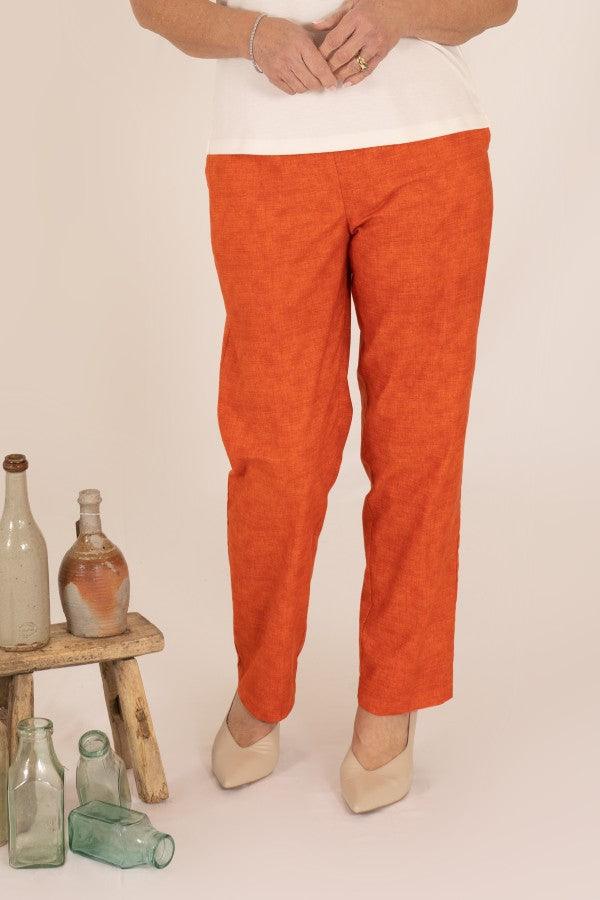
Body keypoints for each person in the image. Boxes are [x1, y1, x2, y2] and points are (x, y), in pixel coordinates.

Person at [129, 0, 518, 813]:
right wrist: (252, 36)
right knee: (277, 451)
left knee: (419, 444)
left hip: (428, 149)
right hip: (265, 160)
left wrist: (399, 15)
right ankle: (262, 685)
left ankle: (393, 697)